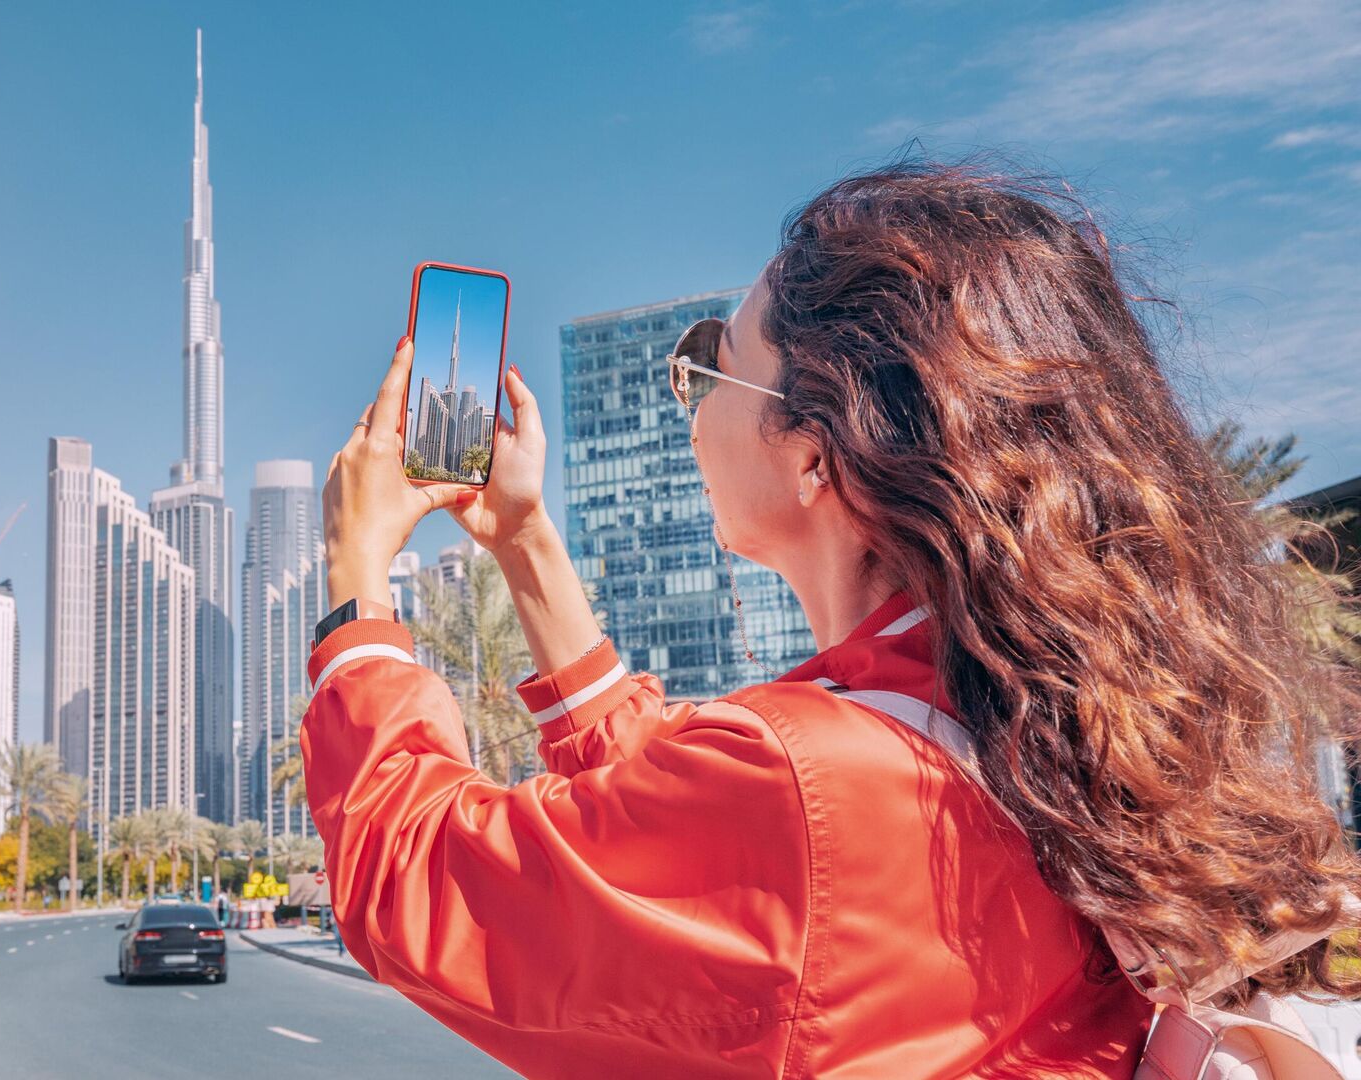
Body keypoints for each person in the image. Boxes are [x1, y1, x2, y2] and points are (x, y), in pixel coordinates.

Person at [302, 159, 1361, 1078]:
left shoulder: (820, 788)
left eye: (711, 362)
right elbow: (682, 821)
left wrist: (358, 573)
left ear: (813, 454)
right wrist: (528, 546)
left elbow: (426, 881)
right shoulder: (1014, 716)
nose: (690, 398)